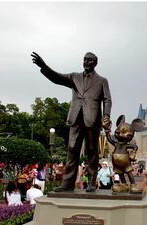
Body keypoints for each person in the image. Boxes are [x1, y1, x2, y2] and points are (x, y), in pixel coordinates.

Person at [32, 52, 112, 192]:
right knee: (72, 149)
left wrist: (106, 115)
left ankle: (92, 182)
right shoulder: (74, 77)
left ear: (95, 63)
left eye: (90, 60)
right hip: (75, 117)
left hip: (92, 119)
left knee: (92, 150)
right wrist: (43, 66)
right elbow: (57, 78)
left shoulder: (102, 80)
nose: (86, 62)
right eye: (85, 60)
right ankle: (67, 184)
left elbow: (107, 99)